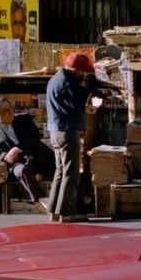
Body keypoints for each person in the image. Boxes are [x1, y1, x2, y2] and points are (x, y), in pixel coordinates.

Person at [46, 51, 99, 223]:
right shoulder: (67, 82)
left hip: (56, 131)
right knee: (71, 173)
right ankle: (67, 212)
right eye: (83, 72)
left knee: (60, 171)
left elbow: (68, 105)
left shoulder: (55, 79)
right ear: (77, 70)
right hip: (67, 131)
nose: (84, 75)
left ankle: (53, 210)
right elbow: (77, 103)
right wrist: (88, 88)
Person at [0, 96, 53, 206]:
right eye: (6, 111)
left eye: (11, 108)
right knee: (21, 171)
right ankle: (42, 200)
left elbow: (34, 139)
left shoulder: (24, 120)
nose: (11, 112)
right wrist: (7, 156)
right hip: (17, 163)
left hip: (36, 156)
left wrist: (18, 148)